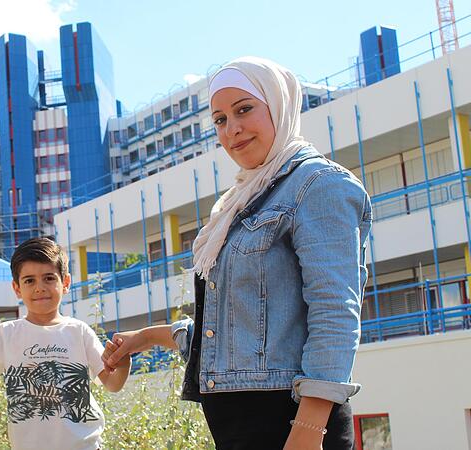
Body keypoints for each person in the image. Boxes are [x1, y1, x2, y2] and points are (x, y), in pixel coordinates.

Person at [102, 57, 372, 450]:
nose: (233, 129)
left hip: (293, 424)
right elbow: (237, 331)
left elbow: (334, 313)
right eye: (220, 120)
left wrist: (308, 432)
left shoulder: (318, 185)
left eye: (244, 109)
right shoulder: (242, 201)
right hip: (239, 427)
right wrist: (142, 338)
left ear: (278, 104)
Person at [0, 237, 131, 450]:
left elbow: (113, 384)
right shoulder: (7, 333)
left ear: (66, 283)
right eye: (29, 280)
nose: (39, 288)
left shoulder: (79, 331)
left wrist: (123, 363)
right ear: (16, 288)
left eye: (49, 278)